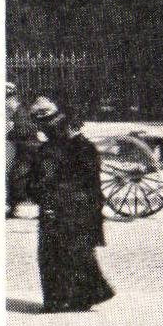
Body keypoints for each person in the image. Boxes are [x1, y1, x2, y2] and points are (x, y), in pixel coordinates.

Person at [30, 105, 114, 313]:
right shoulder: (85, 147)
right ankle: (84, 295)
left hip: (60, 209)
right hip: (82, 207)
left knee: (54, 254)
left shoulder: (50, 151)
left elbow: (42, 183)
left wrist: (42, 196)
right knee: (78, 252)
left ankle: (59, 300)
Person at [6, 88, 42, 217]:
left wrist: (9, 134)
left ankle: (12, 207)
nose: (5, 104)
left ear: (11, 100)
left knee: (17, 177)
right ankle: (12, 207)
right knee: (19, 177)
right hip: (27, 149)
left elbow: (23, 132)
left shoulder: (20, 112)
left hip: (29, 150)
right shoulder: (19, 111)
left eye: (6, 100)